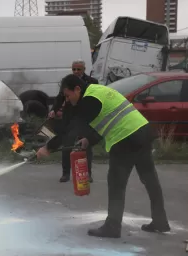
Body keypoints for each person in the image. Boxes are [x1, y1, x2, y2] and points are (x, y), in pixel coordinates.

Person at [37, 74, 170, 238]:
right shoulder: (97, 91)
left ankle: (112, 227)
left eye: (68, 94)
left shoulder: (87, 101)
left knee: (116, 183)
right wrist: (89, 140)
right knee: (150, 179)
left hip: (125, 139)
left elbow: (70, 131)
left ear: (77, 89)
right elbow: (107, 118)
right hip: (142, 132)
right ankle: (160, 221)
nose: (67, 99)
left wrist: (48, 148)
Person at [48, 60, 99, 183]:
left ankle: (87, 173)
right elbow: (60, 98)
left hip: (85, 117)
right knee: (67, 144)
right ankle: (66, 173)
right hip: (70, 117)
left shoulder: (93, 82)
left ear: (84, 69)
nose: (76, 72)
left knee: (85, 145)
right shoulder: (68, 82)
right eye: (74, 69)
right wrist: (54, 110)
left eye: (79, 69)